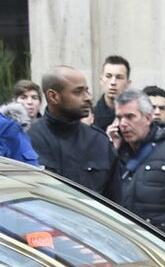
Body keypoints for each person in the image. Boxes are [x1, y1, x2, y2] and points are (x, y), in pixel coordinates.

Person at [108, 87, 165, 241]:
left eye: (130, 117)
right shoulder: (117, 153)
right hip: (126, 242)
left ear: (147, 118)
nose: (123, 124)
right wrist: (111, 151)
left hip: (163, 245)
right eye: (119, 118)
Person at [28, 66, 113, 194]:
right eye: (78, 92)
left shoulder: (99, 142)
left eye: (87, 90)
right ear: (53, 96)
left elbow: (117, 204)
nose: (88, 98)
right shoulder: (28, 140)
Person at [92, 55, 129, 132]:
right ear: (101, 80)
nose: (113, 82)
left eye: (119, 77)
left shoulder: (134, 118)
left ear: (128, 83)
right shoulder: (90, 118)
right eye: (108, 76)